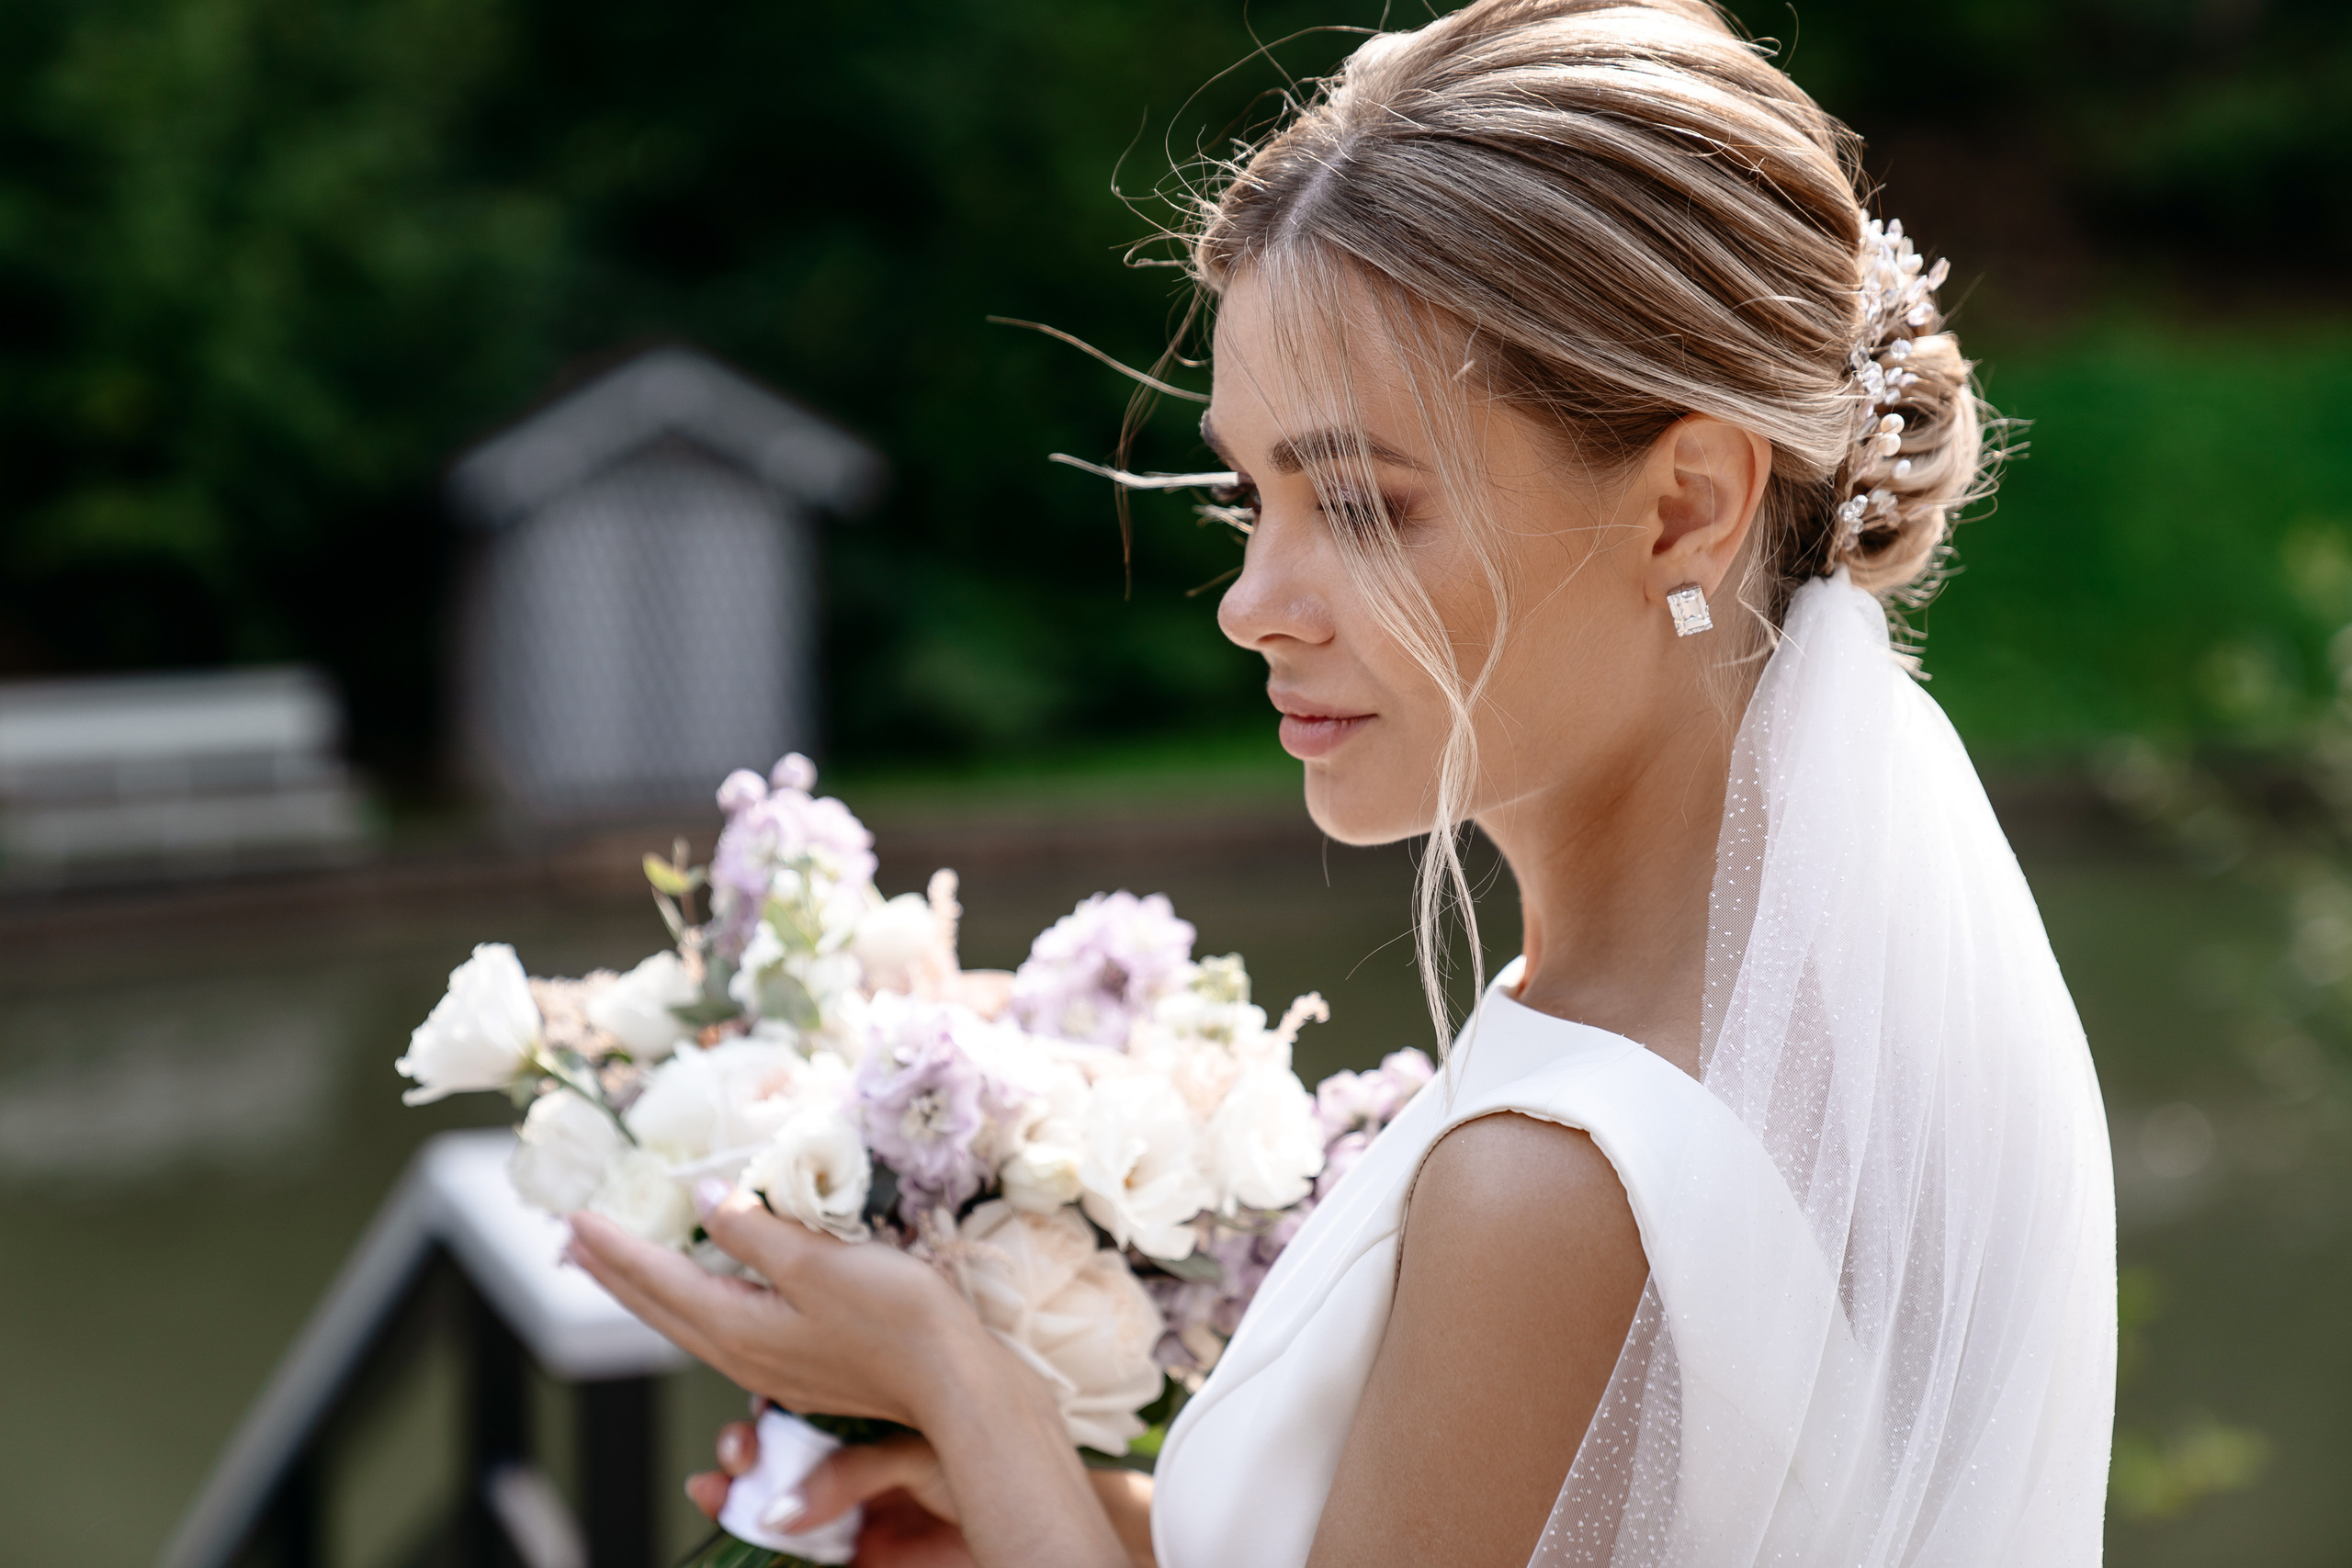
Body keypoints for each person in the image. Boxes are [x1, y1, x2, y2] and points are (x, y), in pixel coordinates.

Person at [563, 2, 2118, 1563]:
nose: (1253, 604)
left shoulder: (1557, 1183)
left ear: (1685, 510)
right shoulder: (1809, 1036)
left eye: (1364, 506)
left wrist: (959, 1385)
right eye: (1250, 495)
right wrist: (1077, 1517)